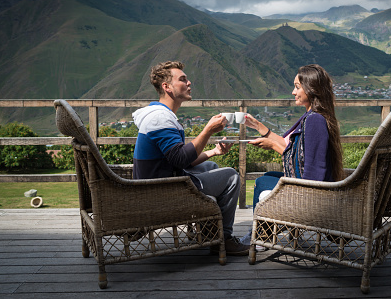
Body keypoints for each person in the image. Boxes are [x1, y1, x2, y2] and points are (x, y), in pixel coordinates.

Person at [132, 60, 250, 256]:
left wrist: (214, 151)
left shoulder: (159, 114)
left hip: (159, 182)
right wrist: (208, 130)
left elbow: (178, 158)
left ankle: (210, 232)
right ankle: (224, 239)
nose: (189, 83)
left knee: (211, 165)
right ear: (167, 87)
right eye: (183, 80)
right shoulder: (160, 118)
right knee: (231, 177)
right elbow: (180, 159)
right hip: (163, 192)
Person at [246, 63, 344, 211]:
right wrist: (258, 126)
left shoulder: (314, 120)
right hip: (309, 184)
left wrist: (272, 145)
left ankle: (258, 232)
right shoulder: (311, 116)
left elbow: (309, 166)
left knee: (262, 181)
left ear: (311, 89)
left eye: (297, 87)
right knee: (269, 175)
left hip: (310, 191)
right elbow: (290, 146)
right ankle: (260, 230)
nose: (293, 92)